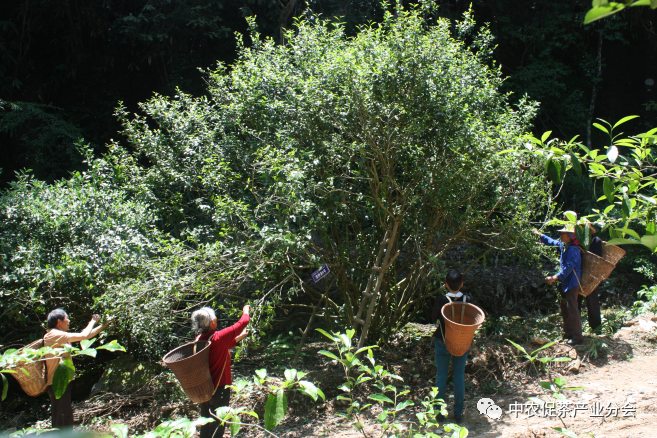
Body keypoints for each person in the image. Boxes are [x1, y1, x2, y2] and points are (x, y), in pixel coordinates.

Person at [192, 305, 250, 438]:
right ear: (212, 322)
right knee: (218, 425)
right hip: (220, 389)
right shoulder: (219, 337)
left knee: (206, 422)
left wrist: (240, 337)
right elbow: (243, 322)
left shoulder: (199, 339)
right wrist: (246, 310)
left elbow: (222, 346)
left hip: (204, 388)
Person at [44, 309, 109, 428]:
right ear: (59, 322)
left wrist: (104, 325)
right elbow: (83, 336)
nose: (69, 321)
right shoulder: (53, 334)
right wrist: (93, 321)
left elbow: (86, 335)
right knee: (61, 416)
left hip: (63, 380)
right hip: (57, 381)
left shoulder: (59, 335)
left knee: (65, 414)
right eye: (66, 318)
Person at [431, 269, 473, 423]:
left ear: (446, 284)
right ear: (462, 284)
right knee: (459, 376)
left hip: (442, 341)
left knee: (441, 376)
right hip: (461, 343)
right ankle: (458, 413)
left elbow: (433, 317)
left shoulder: (441, 300)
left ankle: (439, 412)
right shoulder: (468, 299)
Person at [533, 224, 583, 345]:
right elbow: (552, 242)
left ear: (570, 236)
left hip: (572, 283)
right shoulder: (565, 246)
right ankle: (568, 333)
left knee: (572, 308)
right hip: (564, 283)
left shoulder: (573, 249)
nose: (561, 236)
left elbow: (568, 268)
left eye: (563, 234)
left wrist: (555, 277)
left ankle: (577, 337)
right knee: (565, 308)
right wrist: (540, 236)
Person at [562, 211, 603, 332]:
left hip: (589, 275)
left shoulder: (594, 241)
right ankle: (575, 331)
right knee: (575, 303)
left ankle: (596, 329)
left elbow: (596, 260)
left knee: (591, 301)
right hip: (575, 275)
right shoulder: (569, 238)